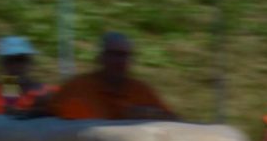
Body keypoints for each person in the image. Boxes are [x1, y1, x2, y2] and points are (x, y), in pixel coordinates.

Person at [49, 32, 177, 121]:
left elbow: (175, 121)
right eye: (113, 54)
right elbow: (47, 116)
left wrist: (150, 114)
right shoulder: (77, 87)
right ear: (100, 57)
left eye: (124, 55)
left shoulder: (141, 91)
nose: (119, 61)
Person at [0, 36, 53, 115]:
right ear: (1, 64)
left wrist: (44, 110)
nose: (15, 66)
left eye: (20, 59)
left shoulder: (49, 93)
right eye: (9, 60)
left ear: (30, 63)